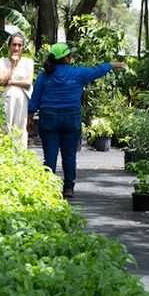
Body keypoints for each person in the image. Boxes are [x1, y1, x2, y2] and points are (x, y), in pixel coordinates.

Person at [28, 42, 125, 197]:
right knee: (69, 156)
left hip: (49, 120)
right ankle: (68, 188)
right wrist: (111, 65)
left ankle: (47, 187)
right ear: (67, 58)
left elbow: (35, 99)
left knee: (50, 157)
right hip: (70, 120)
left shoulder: (44, 76)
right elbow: (96, 71)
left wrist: (30, 118)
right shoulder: (78, 73)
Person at [0, 33, 34, 147]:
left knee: (20, 128)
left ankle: (20, 155)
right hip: (7, 99)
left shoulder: (28, 62)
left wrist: (11, 82)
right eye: (14, 45)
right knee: (6, 126)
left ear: (23, 47)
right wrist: (12, 65)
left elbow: (28, 83)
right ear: (9, 46)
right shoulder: (2, 62)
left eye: (19, 45)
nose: (16, 48)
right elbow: (1, 81)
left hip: (22, 100)